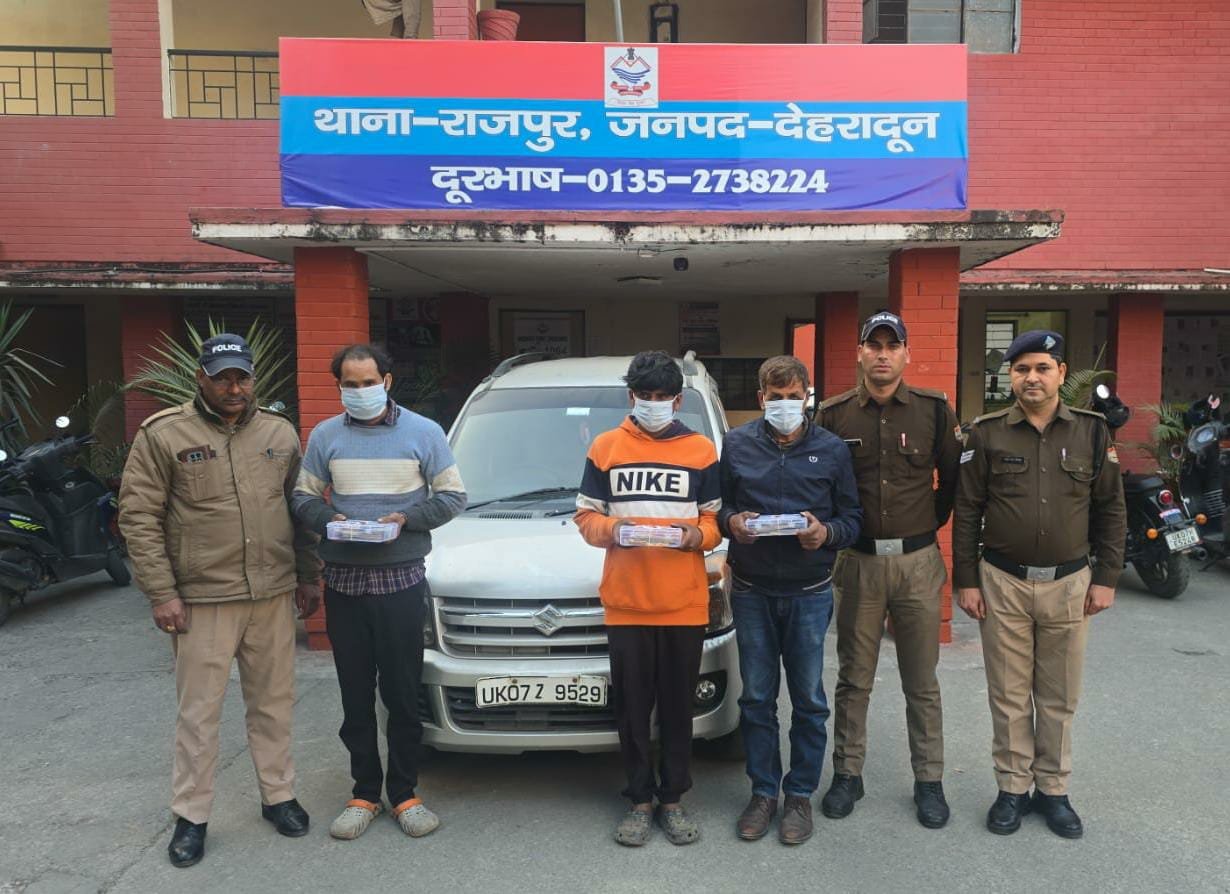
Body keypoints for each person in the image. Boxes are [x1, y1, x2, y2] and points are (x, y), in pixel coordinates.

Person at [119, 333, 322, 869]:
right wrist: (161, 592)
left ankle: (278, 796)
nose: (234, 388)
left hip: (271, 593)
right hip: (203, 599)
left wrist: (308, 576)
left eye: (242, 377)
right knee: (199, 714)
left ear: (253, 378)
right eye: (222, 378)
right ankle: (192, 815)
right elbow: (139, 517)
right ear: (200, 379)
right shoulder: (164, 433)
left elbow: (299, 510)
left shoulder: (278, 432)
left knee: (274, 704)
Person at [953, 330, 1126, 839]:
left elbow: (1111, 509)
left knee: (1059, 694)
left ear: (1061, 373)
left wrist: (1107, 578)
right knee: (1008, 695)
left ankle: (1053, 790)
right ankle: (1012, 788)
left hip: (1071, 583)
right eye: (1022, 369)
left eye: (1042, 368)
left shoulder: (1092, 432)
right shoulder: (986, 434)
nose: (1032, 377)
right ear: (1011, 376)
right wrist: (967, 580)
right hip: (1002, 581)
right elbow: (967, 511)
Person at [292, 344, 466, 841]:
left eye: (369, 382)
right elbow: (303, 497)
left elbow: (453, 496)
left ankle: (405, 793)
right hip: (344, 584)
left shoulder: (424, 432)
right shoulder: (326, 436)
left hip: (400, 582)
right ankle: (364, 793)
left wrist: (405, 519)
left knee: (403, 695)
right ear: (339, 386)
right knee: (354, 697)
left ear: (387, 381)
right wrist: (332, 520)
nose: (360, 391)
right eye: (350, 384)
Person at [818, 311, 961, 829]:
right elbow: (821, 487)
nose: (882, 354)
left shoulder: (934, 410)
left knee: (921, 681)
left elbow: (952, 482)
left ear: (906, 354)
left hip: (917, 564)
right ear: (860, 353)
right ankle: (847, 773)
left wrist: (924, 527)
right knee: (854, 679)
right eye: (873, 345)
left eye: (891, 345)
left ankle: (929, 780)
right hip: (858, 563)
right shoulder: (833, 415)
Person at [575, 350, 722, 848]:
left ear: (678, 400)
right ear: (631, 397)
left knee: (679, 708)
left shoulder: (701, 450)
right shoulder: (606, 447)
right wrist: (616, 530)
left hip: (684, 604)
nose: (654, 403)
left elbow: (714, 521)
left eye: (663, 396)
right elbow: (586, 518)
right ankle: (639, 801)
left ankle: (673, 800)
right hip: (627, 604)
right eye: (645, 395)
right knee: (633, 709)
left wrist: (695, 536)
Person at [719, 355, 862, 845]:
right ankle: (763, 792)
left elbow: (852, 518)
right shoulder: (736, 444)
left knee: (809, 701)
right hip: (752, 590)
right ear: (761, 399)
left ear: (807, 397)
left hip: (809, 593)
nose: (784, 405)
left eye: (793, 397)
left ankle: (799, 794)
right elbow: (720, 508)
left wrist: (826, 534)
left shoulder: (832, 449)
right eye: (775, 397)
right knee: (757, 700)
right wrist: (732, 522)